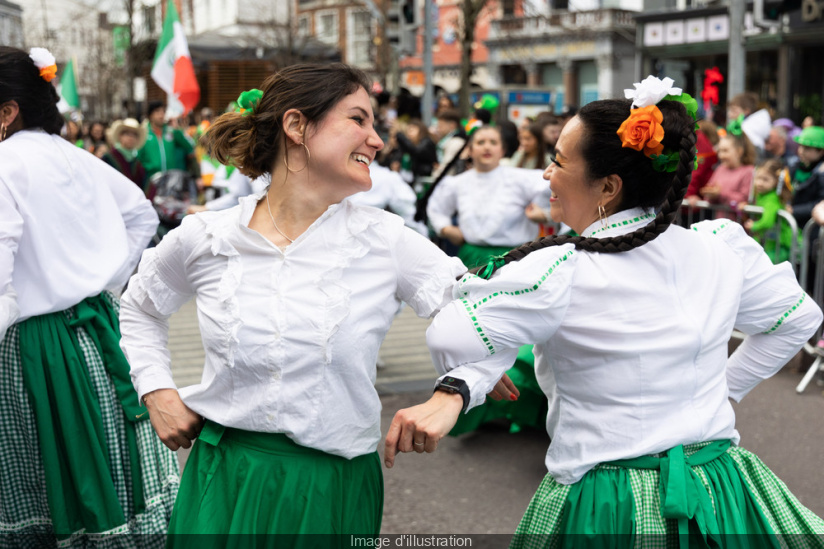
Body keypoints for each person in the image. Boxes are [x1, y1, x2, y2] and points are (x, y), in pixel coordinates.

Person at [385, 78, 824, 543]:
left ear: (608, 186)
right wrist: (725, 391)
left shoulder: (561, 267)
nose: (546, 176)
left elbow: (450, 335)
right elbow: (798, 319)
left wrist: (468, 376)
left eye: (557, 161)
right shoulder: (719, 248)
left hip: (612, 500)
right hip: (718, 484)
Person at [118, 64, 466, 540]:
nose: (377, 140)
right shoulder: (207, 237)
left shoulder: (385, 241)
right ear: (297, 126)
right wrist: (156, 389)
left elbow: (482, 314)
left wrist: (458, 388)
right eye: (359, 120)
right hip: (222, 481)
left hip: (331, 488)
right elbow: (139, 307)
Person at [0, 46, 178, 546]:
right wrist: (103, 282)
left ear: (8, 111)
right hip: (100, 329)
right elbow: (142, 216)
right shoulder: (76, 157)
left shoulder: (4, 164)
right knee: (113, 449)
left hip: (34, 346)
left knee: (43, 472)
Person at [426, 124, 550, 435]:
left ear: (503, 148)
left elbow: (554, 187)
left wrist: (544, 214)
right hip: (472, 258)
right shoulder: (458, 183)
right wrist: (445, 228)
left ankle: (516, 406)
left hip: (514, 258)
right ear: (469, 148)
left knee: (513, 330)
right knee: (471, 330)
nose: (486, 147)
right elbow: (436, 208)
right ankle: (474, 402)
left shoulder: (519, 177)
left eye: (493, 141)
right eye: (480, 141)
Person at [138, 100, 201, 184]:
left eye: (163, 111)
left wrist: (177, 130)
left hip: (172, 180)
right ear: (150, 115)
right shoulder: (144, 134)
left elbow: (189, 147)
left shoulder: (172, 132)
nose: (161, 115)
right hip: (151, 180)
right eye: (157, 111)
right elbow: (139, 158)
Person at [745, 159, 793, 264]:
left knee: (767, 266)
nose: (760, 183)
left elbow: (767, 221)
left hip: (778, 244)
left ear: (776, 182)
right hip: (768, 240)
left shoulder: (772, 199)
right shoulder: (762, 195)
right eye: (758, 178)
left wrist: (754, 225)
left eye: (765, 180)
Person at [700, 130, 755, 215]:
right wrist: (710, 194)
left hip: (738, 224)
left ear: (739, 151)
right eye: (720, 151)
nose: (721, 155)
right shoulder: (720, 169)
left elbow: (745, 200)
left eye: (725, 151)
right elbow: (708, 200)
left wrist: (720, 194)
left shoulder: (749, 171)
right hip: (721, 224)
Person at [103, 117, 148, 192]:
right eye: (127, 134)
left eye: (134, 135)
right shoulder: (109, 158)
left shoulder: (137, 163)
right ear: (120, 136)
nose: (131, 138)